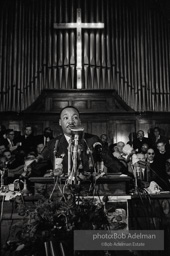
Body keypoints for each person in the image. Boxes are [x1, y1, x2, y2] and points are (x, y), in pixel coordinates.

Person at [30, 106, 126, 177]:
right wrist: (29, 169)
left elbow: (112, 163)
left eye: (75, 118)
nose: (71, 122)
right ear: (60, 122)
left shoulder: (93, 140)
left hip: (90, 188)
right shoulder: (53, 144)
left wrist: (126, 173)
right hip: (62, 191)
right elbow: (37, 169)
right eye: (66, 118)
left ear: (79, 121)